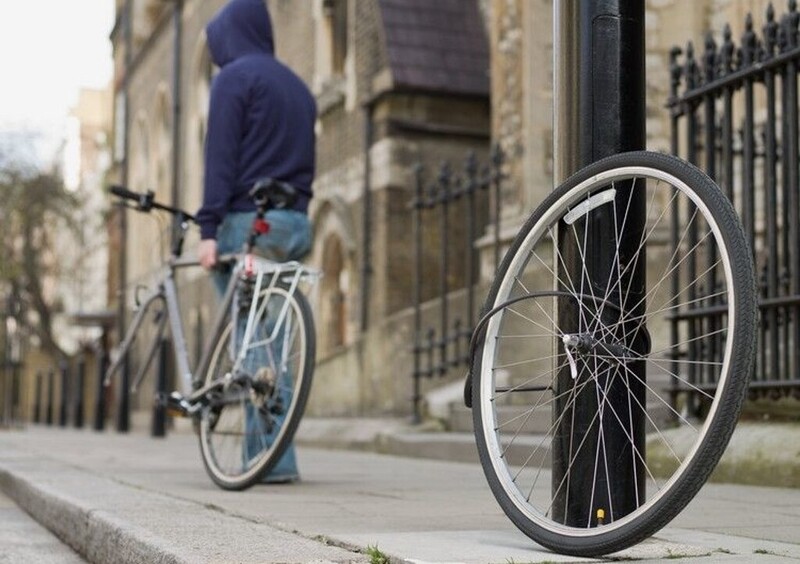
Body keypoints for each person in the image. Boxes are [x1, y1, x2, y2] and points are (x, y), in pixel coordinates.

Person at [196, 0, 317, 484]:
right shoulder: (299, 89)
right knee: (279, 340)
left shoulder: (233, 79)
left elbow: (220, 160)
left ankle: (269, 460)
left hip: (249, 225)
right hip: (294, 224)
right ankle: (276, 455)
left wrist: (208, 229)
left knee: (253, 348)